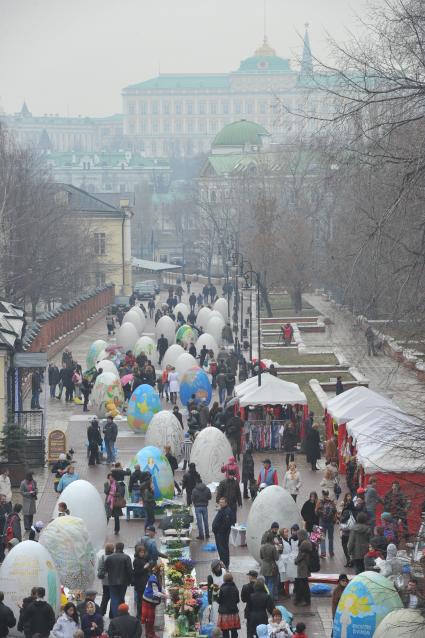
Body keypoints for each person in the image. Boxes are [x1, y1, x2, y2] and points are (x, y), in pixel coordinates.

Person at [104, 541, 133, 617]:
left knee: (114, 599)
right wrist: (130, 580)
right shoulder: (126, 557)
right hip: (124, 582)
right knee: (121, 598)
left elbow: (105, 569)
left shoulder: (109, 558)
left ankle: (115, 616)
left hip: (112, 582)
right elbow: (130, 570)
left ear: (116, 548)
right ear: (123, 548)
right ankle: (122, 614)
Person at [141, 565, 166, 638]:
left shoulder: (155, 577)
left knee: (150, 618)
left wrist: (164, 592)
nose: (162, 573)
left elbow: (160, 587)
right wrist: (166, 596)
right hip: (148, 600)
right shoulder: (153, 580)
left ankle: (148, 633)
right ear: (158, 571)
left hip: (149, 599)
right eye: (161, 571)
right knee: (150, 618)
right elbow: (156, 592)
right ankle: (150, 634)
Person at [217, 573, 240, 638]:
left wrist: (216, 596)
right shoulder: (235, 588)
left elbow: (219, 601)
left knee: (225, 631)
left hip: (224, 613)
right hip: (233, 612)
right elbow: (237, 600)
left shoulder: (222, 588)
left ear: (224, 580)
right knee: (234, 630)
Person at [212, 496, 233, 569]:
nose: (220, 504)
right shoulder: (222, 510)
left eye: (222, 502)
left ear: (226, 503)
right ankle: (223, 562)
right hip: (219, 533)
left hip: (222, 534)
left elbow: (226, 524)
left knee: (223, 549)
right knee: (221, 549)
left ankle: (224, 564)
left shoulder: (226, 511)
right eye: (220, 502)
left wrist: (219, 531)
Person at [316, 490, 337, 558]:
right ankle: (331, 552)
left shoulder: (320, 501)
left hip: (322, 522)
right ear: (328, 494)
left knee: (322, 538)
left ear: (322, 494)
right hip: (330, 522)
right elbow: (335, 511)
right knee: (330, 538)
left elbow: (316, 512)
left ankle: (323, 553)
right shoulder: (331, 501)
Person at [294, 529, 312, 606]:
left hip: (303, 566)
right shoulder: (307, 541)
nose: (298, 537)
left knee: (303, 584)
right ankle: (305, 599)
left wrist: (296, 561)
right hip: (305, 566)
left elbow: (301, 555)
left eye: (298, 535)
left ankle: (304, 599)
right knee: (304, 583)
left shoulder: (304, 543)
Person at [259, 537, 280, 602]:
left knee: (266, 583)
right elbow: (276, 558)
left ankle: (266, 597)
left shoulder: (262, 547)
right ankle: (270, 598)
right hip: (271, 566)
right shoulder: (273, 547)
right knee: (271, 583)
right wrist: (278, 550)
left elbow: (261, 557)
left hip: (264, 566)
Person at [132, 545, 150, 619]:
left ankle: (143, 613)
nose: (142, 553)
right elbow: (136, 572)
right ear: (138, 552)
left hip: (144, 582)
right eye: (141, 552)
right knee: (140, 600)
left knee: (144, 599)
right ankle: (139, 615)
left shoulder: (143, 559)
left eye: (143, 552)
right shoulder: (136, 560)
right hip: (140, 583)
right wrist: (145, 568)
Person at [97, 542, 114, 618]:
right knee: (113, 597)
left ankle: (102, 612)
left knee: (105, 597)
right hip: (113, 581)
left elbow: (99, 568)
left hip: (105, 581)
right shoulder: (114, 557)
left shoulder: (102, 557)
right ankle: (111, 614)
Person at [339, 493, 356, 567]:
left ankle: (349, 560)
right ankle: (351, 560)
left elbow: (342, 520)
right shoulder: (353, 511)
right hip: (352, 531)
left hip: (346, 532)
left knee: (345, 545)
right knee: (351, 546)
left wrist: (339, 518)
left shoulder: (346, 511)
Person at [207, 560, 225, 624]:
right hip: (215, 598)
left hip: (224, 597)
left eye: (218, 567)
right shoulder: (210, 576)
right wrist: (209, 603)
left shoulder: (224, 572)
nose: (217, 569)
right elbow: (209, 590)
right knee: (216, 615)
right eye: (215, 568)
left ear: (220, 566)